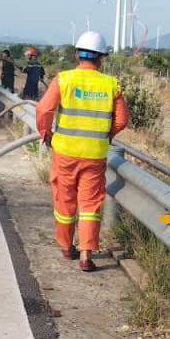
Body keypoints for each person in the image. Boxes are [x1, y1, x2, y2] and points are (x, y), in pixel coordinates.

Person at [35, 31, 129, 272]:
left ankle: (67, 247)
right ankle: (86, 255)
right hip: (94, 155)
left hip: (65, 153)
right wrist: (105, 136)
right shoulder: (111, 84)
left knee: (65, 200)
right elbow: (121, 120)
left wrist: (46, 134)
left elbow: (44, 109)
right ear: (102, 58)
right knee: (90, 204)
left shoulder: (64, 79)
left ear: (77, 54)